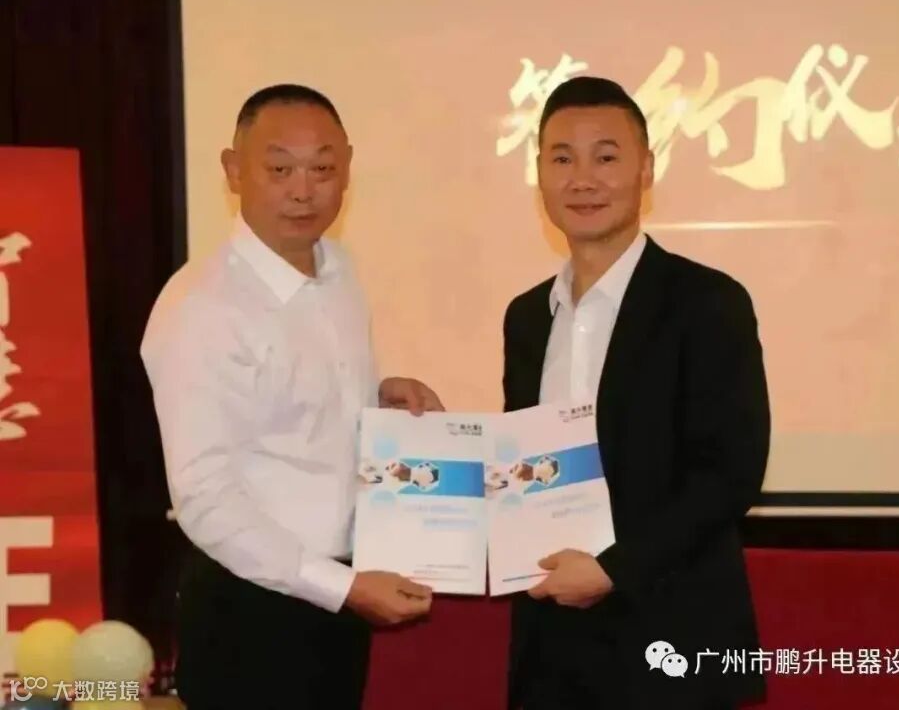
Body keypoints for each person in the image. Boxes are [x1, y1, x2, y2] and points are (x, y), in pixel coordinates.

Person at [141, 84, 440, 710]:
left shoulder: (339, 269)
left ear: (348, 168)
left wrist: (376, 395)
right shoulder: (202, 307)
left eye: (322, 169)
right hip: (252, 610)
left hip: (339, 600)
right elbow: (205, 498)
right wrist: (339, 587)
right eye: (280, 170)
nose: (303, 191)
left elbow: (298, 410)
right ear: (233, 170)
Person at [501, 76, 771, 710]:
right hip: (552, 648)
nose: (582, 179)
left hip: (672, 639)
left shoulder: (707, 302)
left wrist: (612, 569)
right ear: (539, 173)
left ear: (646, 169)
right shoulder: (527, 317)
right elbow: (523, 463)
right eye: (561, 158)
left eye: (606, 157)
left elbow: (729, 473)